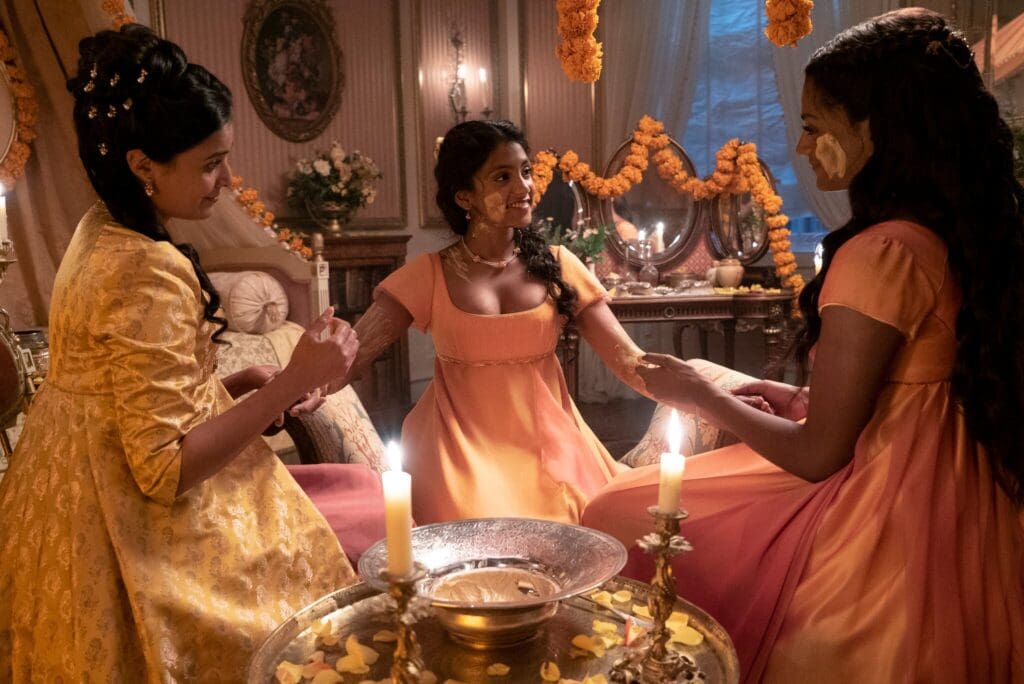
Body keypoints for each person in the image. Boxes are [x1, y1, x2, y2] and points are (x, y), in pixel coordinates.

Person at [583, 9, 1024, 681]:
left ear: (877, 130)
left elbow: (821, 454)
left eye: (816, 125)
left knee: (614, 510)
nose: (799, 145)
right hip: (964, 501)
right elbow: (914, 390)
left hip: (889, 514)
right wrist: (797, 397)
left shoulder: (880, 253)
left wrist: (700, 393)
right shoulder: (953, 232)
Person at [0, 25, 362, 680]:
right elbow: (163, 469)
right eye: (208, 164)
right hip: (118, 532)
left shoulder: (99, 229)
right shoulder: (148, 268)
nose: (225, 180)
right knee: (304, 637)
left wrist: (243, 383)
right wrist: (292, 383)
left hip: (52, 497)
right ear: (142, 166)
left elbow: (124, 392)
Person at [336, 119, 652, 524]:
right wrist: (288, 391)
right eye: (503, 177)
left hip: (552, 455)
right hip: (453, 457)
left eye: (525, 171)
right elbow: (350, 358)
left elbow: (630, 362)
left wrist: (704, 391)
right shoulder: (429, 273)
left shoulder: (558, 265)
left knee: (597, 531)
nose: (524, 188)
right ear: (464, 196)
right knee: (480, 542)